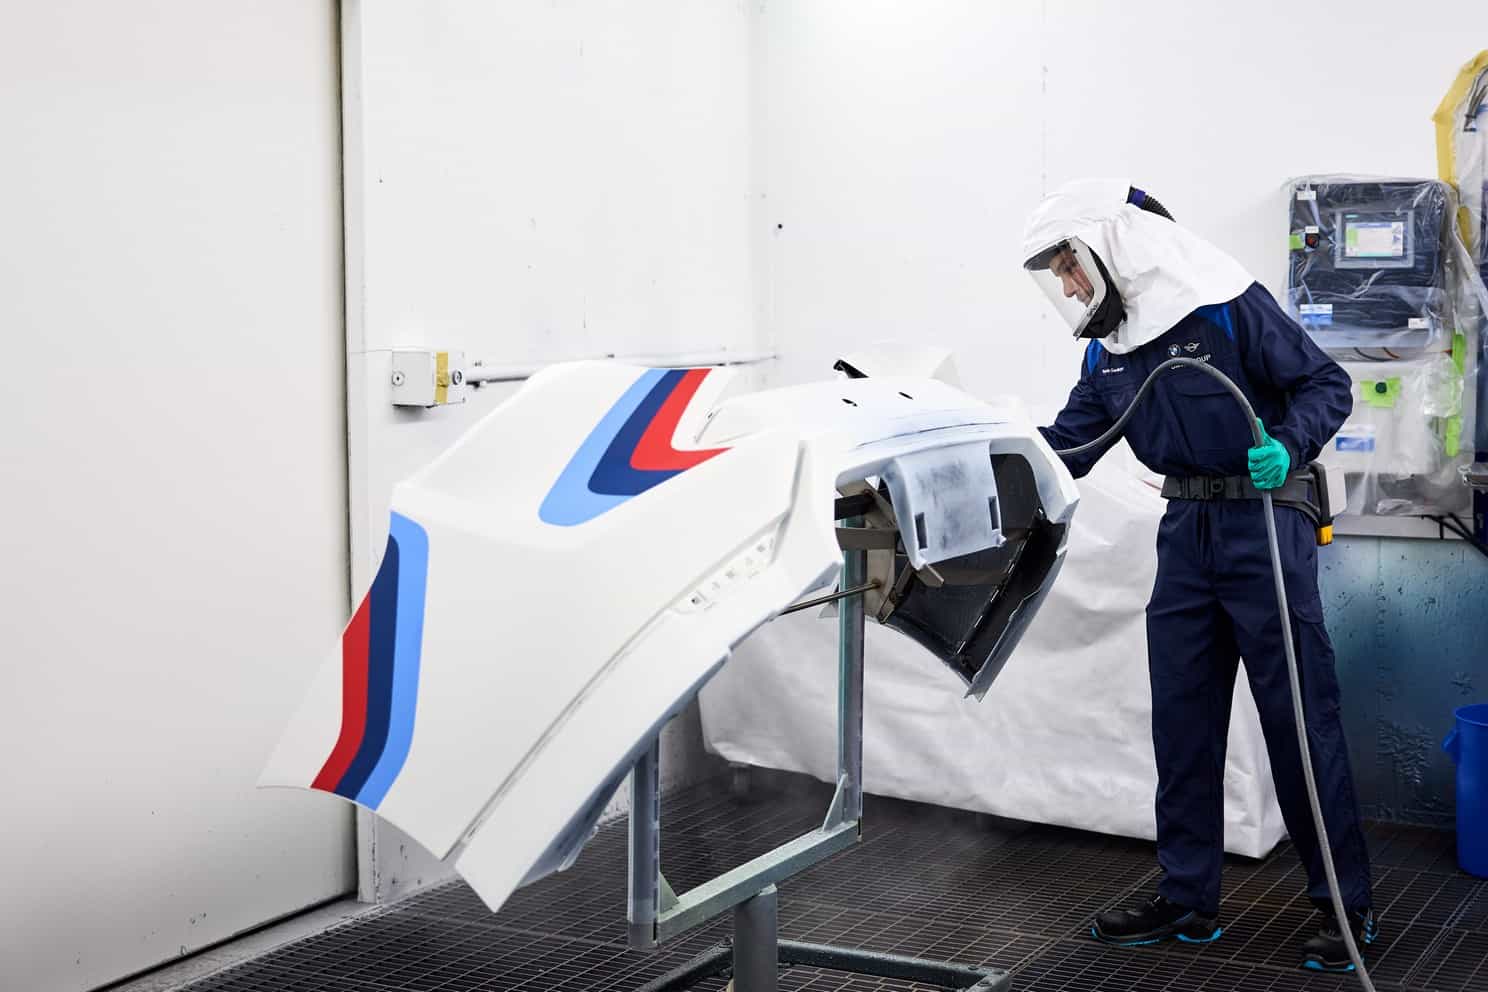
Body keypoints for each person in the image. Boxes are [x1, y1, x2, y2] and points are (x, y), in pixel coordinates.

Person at [1023, 179, 1376, 974]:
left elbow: (1328, 383)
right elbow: (1067, 449)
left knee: (1298, 720)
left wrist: (1290, 443)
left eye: (1070, 267)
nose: (1069, 288)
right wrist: (974, 451)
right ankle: (1187, 899)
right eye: (1060, 276)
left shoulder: (1224, 305)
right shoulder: (1109, 349)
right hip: (1184, 531)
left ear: (1108, 249)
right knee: (1182, 721)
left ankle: (1344, 904)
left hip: (1265, 521)